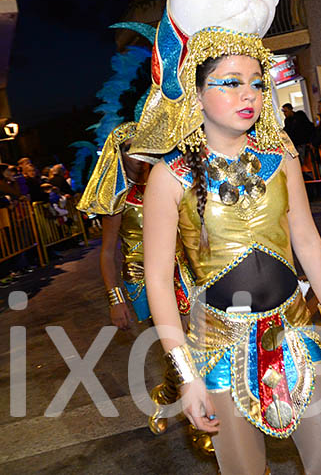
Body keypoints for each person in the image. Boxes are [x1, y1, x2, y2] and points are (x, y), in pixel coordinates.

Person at [130, 0, 321, 475]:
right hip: (217, 348)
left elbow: (306, 239)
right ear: (195, 92)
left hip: (298, 329)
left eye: (256, 81)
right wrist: (185, 377)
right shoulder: (172, 176)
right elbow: (158, 279)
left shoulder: (282, 159)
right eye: (229, 83)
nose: (248, 94)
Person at [76, 122, 206, 449]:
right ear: (120, 156)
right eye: (132, 151)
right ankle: (197, 423)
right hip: (143, 283)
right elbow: (107, 253)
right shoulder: (118, 200)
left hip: (182, 271)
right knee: (174, 343)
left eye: (144, 148)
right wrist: (115, 298)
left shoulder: (168, 182)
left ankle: (169, 395)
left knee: (194, 344)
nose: (139, 157)